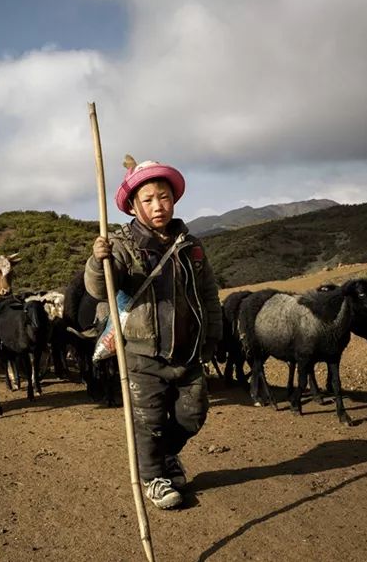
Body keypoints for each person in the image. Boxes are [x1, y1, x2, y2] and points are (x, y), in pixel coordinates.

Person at [84, 157, 223, 510]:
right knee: (148, 421)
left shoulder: (190, 245)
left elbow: (207, 294)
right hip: (143, 353)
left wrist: (212, 336)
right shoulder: (122, 245)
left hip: (188, 351)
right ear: (133, 205)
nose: (157, 206)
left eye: (163, 197)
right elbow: (101, 288)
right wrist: (97, 261)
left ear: (173, 198)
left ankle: (167, 455)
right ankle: (153, 478)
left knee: (192, 415)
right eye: (147, 200)